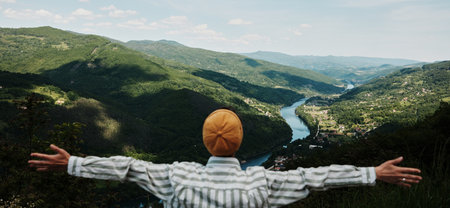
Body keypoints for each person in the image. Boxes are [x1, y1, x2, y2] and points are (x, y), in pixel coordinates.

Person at [29, 109, 422, 207]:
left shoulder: (177, 177)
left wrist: (73, 163)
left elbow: (128, 167)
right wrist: (372, 173)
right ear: (239, 143)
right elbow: (316, 177)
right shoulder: (262, 183)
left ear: (205, 142)